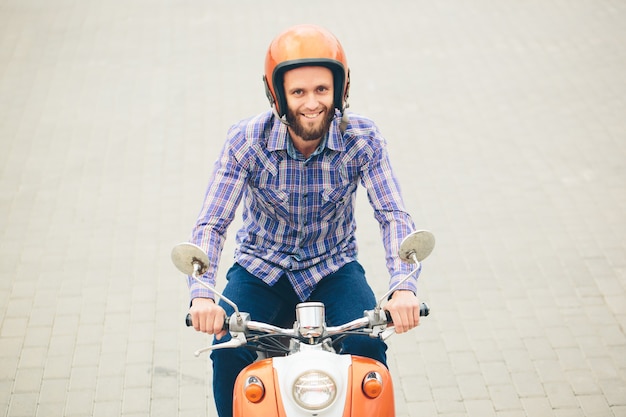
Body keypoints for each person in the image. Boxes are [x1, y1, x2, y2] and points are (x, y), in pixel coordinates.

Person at [186, 23, 422, 417]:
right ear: (277, 95)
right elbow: (212, 223)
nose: (312, 103)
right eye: (298, 92)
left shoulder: (362, 139)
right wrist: (202, 295)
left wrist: (403, 286)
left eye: (321, 90)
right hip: (260, 269)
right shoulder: (246, 141)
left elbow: (392, 214)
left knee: (369, 350)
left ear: (340, 91)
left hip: (333, 267)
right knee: (228, 351)